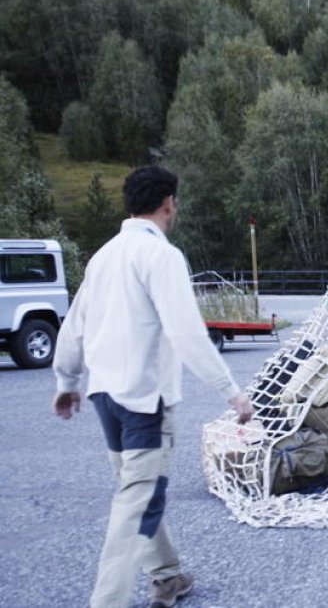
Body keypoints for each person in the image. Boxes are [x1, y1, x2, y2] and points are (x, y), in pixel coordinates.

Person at [51, 165, 254, 608]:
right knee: (136, 505)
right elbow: (185, 331)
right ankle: (108, 601)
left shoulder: (102, 256)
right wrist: (231, 391)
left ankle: (167, 576)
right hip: (144, 398)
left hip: (106, 396)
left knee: (136, 492)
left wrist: (67, 381)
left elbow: (73, 327)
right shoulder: (161, 256)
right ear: (169, 204)